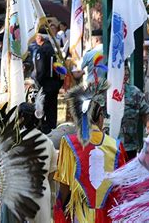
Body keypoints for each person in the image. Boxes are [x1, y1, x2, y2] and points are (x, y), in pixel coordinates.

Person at [54, 83, 127, 223]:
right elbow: (121, 187)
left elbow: (64, 186)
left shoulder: (69, 143)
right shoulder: (116, 145)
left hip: (80, 214)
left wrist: (59, 209)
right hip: (108, 214)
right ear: (100, 117)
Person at [18, 101, 58, 222]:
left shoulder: (15, 140)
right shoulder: (47, 141)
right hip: (42, 192)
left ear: (22, 118)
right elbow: (52, 172)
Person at [119, 64, 149, 159]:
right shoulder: (104, 92)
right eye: (122, 70)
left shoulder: (135, 92)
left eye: (126, 70)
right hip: (107, 145)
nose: (126, 73)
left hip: (129, 146)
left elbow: (146, 114)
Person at [34, 28, 63, 134]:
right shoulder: (54, 49)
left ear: (40, 37)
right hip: (55, 84)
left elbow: (40, 70)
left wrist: (39, 83)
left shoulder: (41, 50)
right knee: (52, 111)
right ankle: (53, 131)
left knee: (42, 112)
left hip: (46, 84)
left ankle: (45, 133)